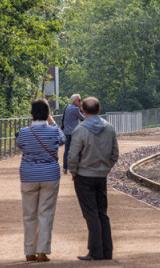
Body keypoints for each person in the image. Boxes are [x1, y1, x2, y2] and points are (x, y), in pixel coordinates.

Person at [68, 97, 119, 261]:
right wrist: (105, 168)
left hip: (84, 176)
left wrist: (74, 172)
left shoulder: (80, 130)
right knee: (102, 213)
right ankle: (107, 251)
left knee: (91, 214)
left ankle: (95, 252)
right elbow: (115, 154)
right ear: (99, 109)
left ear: (83, 110)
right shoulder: (110, 128)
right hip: (101, 177)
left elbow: (72, 156)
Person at [16, 99, 66, 262]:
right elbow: (63, 139)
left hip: (29, 176)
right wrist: (52, 122)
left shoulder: (23, 132)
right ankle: (42, 251)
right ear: (47, 114)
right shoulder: (53, 131)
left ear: (31, 114)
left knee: (29, 214)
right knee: (46, 214)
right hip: (50, 176)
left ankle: (29, 251)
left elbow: (20, 146)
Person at [62, 94, 85, 174]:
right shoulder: (75, 109)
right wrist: (81, 109)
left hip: (66, 131)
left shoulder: (67, 107)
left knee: (67, 149)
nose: (80, 101)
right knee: (77, 149)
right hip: (74, 132)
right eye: (79, 100)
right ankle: (76, 167)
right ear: (75, 101)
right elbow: (82, 118)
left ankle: (65, 167)